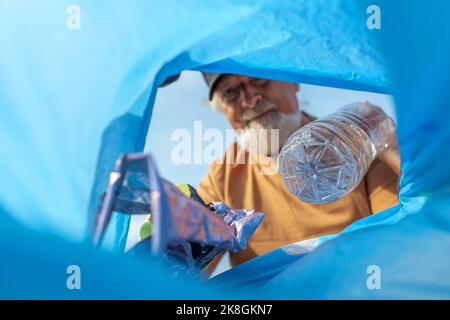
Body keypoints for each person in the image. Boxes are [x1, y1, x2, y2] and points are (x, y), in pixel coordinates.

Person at [196, 73, 400, 268]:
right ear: (222, 108)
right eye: (230, 92)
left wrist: (392, 151)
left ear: (293, 80)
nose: (250, 100)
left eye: (259, 79)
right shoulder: (223, 177)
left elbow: (405, 235)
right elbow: (186, 264)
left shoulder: (355, 145)